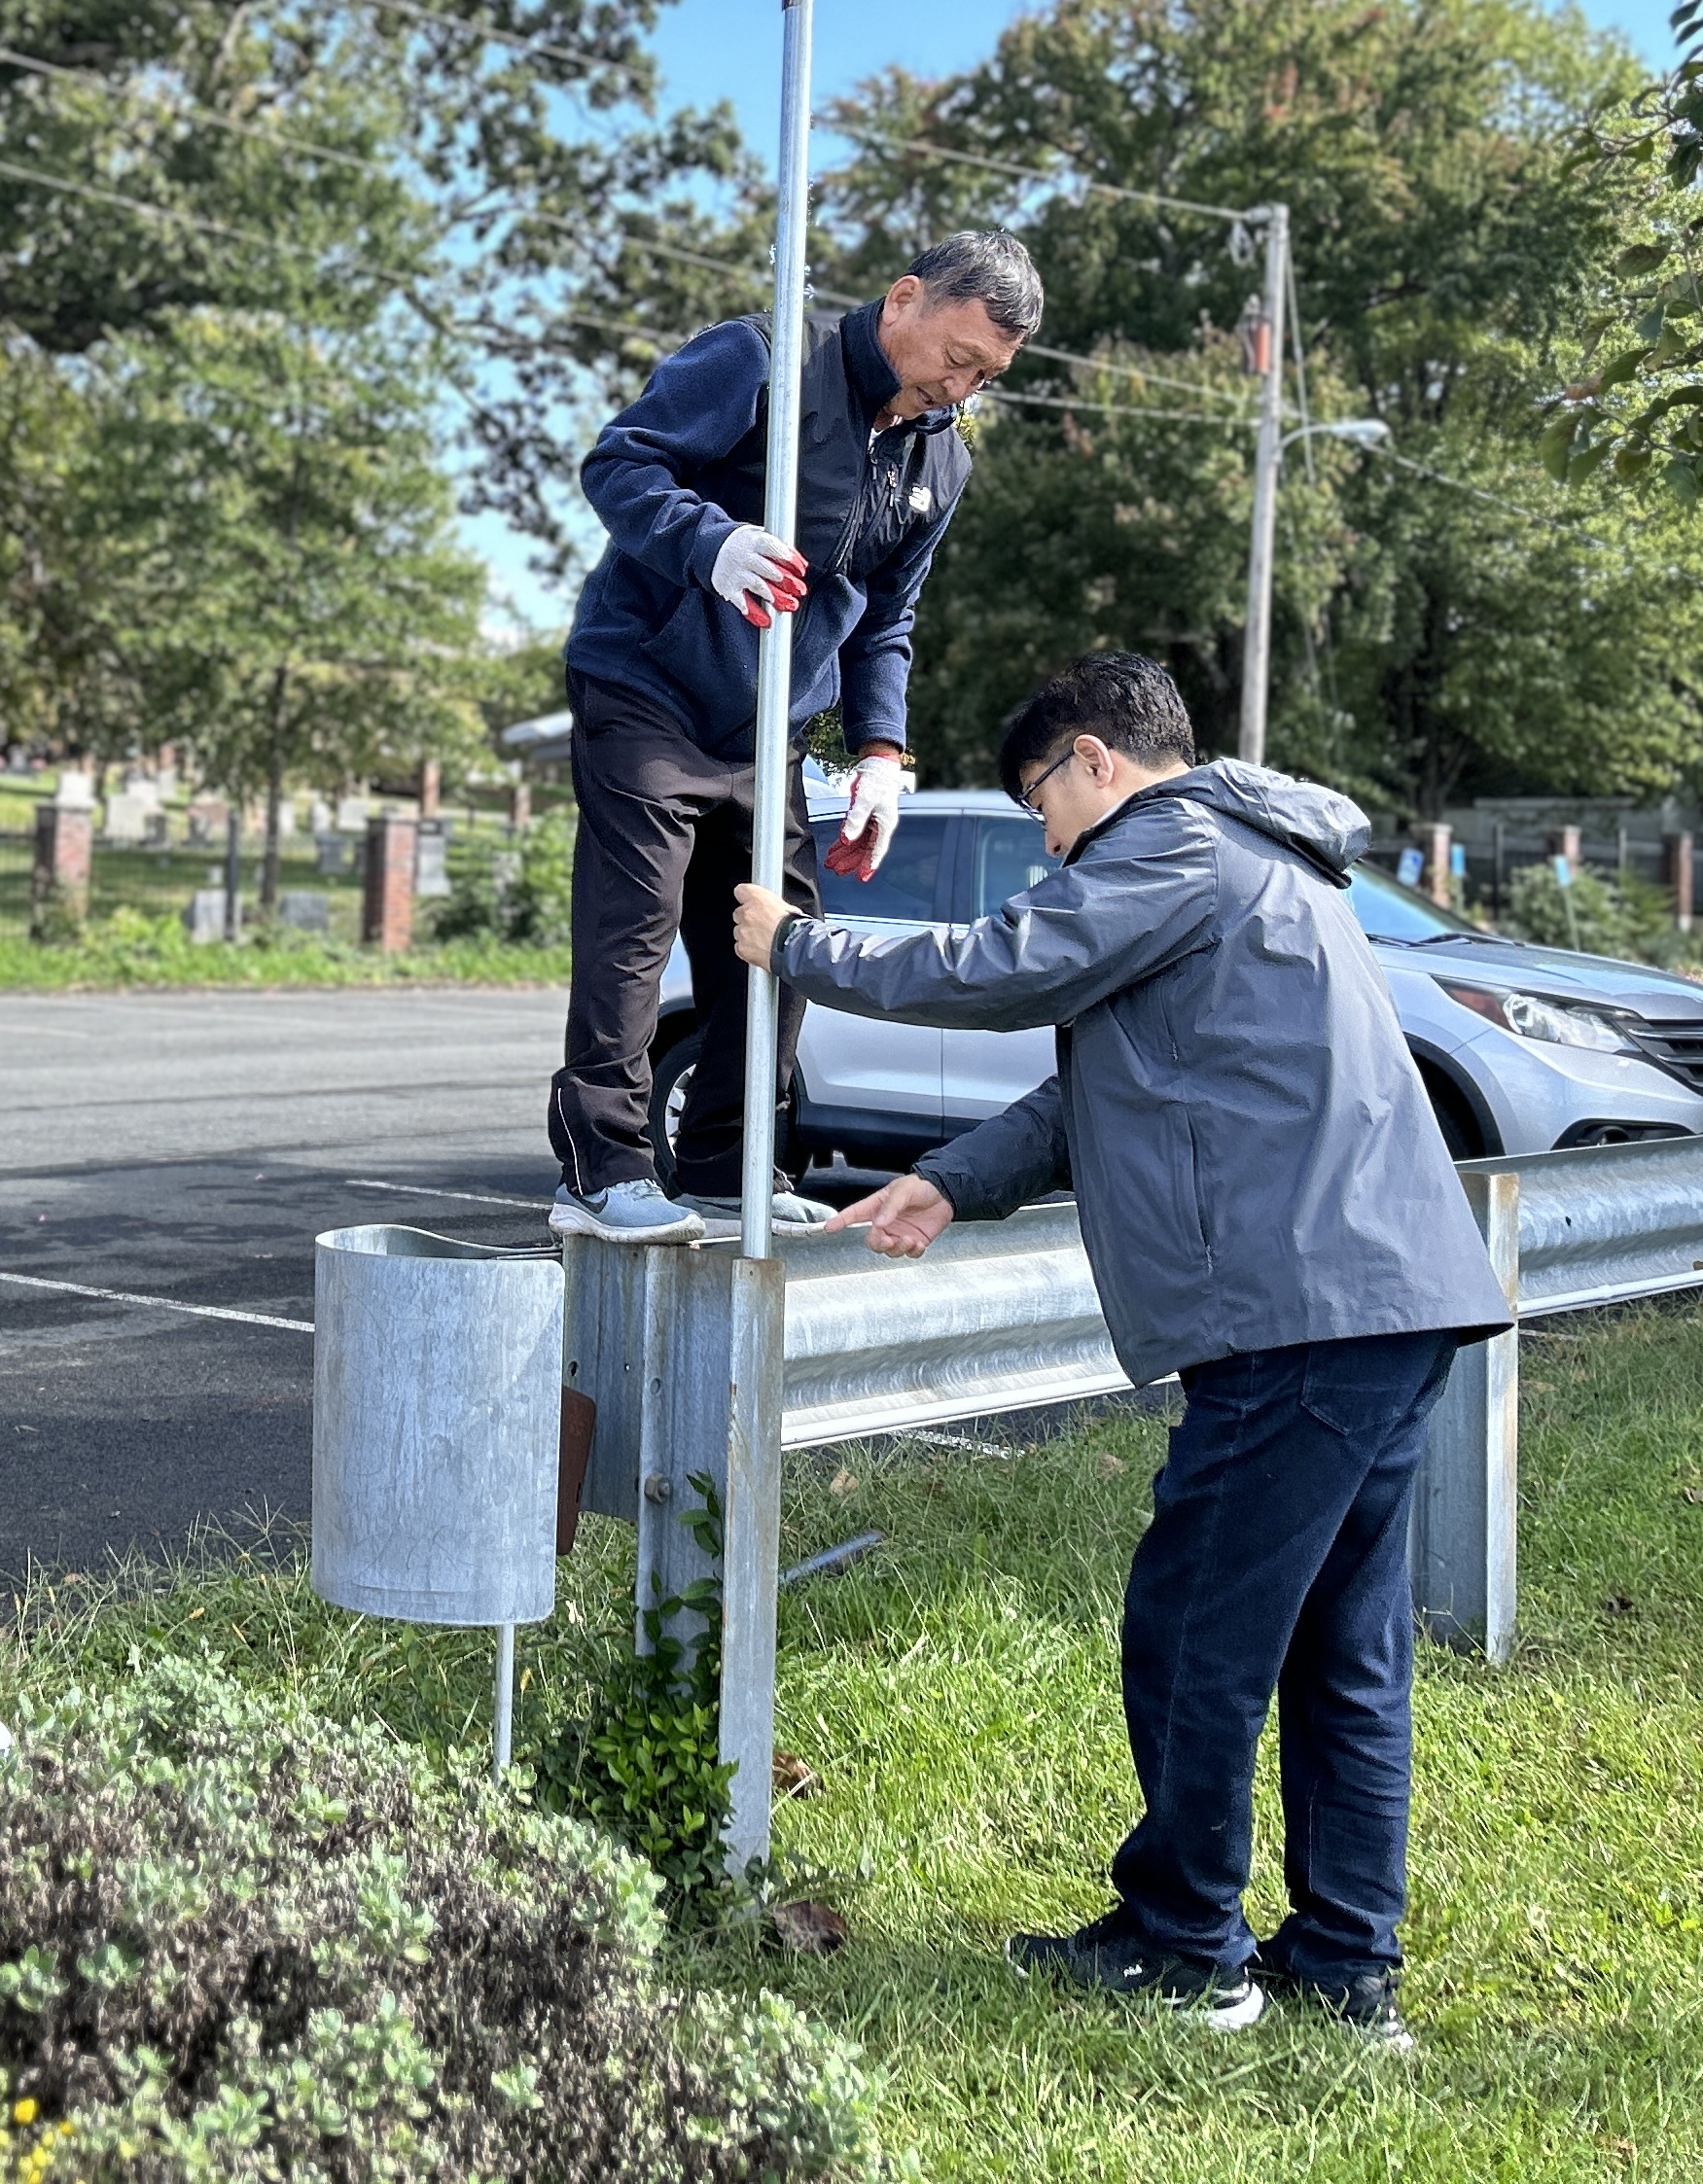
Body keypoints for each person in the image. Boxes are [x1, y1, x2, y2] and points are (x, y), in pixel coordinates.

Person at [728, 651, 1509, 2045]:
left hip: (1299, 1311)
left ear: (1095, 760)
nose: (1047, 843)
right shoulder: (1254, 860)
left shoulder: (1173, 842)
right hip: (1384, 1298)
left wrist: (799, 946)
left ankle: (1186, 1946)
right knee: (1340, 1644)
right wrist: (952, 1181)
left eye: (1041, 804)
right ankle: (1345, 1967)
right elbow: (1108, 1078)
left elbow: (1003, 965)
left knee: (1194, 1625)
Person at [549, 231, 1043, 1247]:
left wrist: (881, 755)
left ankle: (728, 1169)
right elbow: (618, 463)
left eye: (986, 377)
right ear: (904, 298)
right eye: (957, 357)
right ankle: (602, 1171)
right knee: (635, 928)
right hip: (645, 685)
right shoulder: (764, 358)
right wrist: (711, 542)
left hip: (766, 724)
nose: (961, 390)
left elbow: (886, 618)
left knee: (777, 938)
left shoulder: (941, 458)